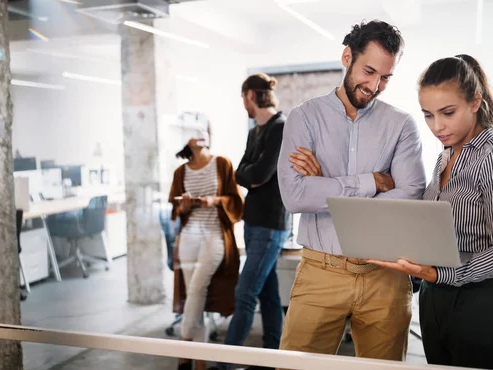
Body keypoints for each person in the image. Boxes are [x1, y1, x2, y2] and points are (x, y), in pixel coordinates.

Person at [368, 54, 493, 370]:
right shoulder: (446, 158)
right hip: (435, 304)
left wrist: (438, 273)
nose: (437, 126)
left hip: (483, 310)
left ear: (475, 102)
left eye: (447, 113)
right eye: (428, 115)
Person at [276, 20, 426, 362]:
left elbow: (411, 195)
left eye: (385, 77)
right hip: (319, 271)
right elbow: (295, 197)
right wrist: (373, 181)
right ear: (347, 57)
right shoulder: (304, 118)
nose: (374, 86)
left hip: (385, 277)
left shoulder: (401, 125)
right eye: (369, 71)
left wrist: (325, 186)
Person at [213, 73, 291, 370]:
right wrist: (249, 173)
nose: (243, 104)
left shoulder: (280, 129)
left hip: (272, 225)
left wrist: (249, 173)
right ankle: (271, 359)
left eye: (242, 98)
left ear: (250, 96)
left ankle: (225, 364)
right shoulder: (254, 132)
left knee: (245, 294)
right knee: (269, 294)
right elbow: (241, 171)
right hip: (253, 222)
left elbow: (257, 175)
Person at [169, 129, 244, 370]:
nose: (200, 134)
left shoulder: (222, 163)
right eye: (194, 131)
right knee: (194, 295)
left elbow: (235, 201)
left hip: (214, 235)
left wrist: (215, 200)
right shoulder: (180, 172)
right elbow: (175, 211)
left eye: (204, 129)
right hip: (189, 235)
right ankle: (199, 362)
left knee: (196, 288)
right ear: (187, 140)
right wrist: (186, 205)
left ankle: (183, 346)